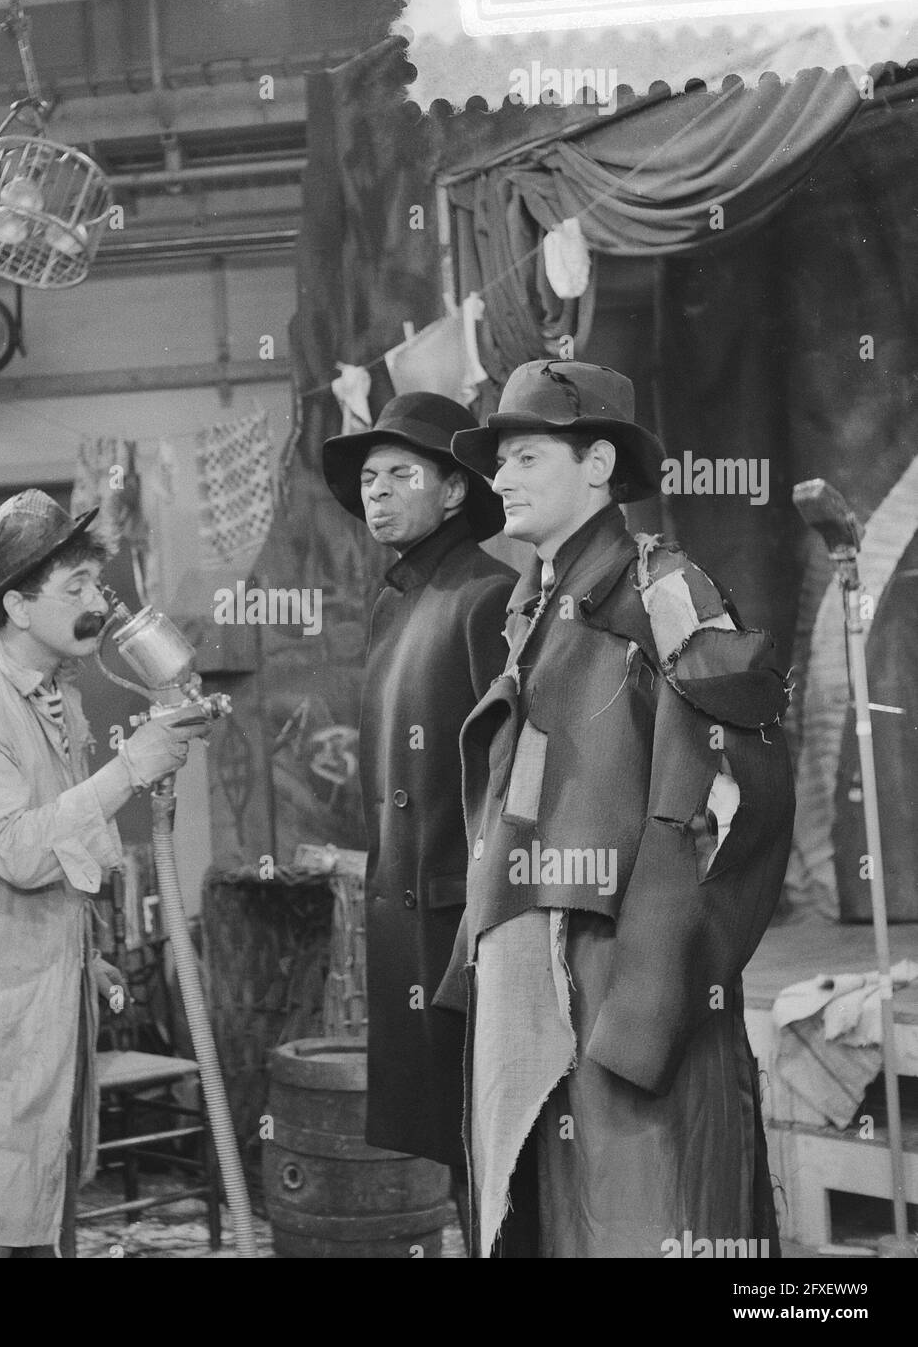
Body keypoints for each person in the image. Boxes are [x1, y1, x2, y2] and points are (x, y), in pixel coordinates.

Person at [436, 360, 793, 1257]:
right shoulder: (533, 608)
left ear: (598, 463)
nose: (501, 480)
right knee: (551, 1222)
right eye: (498, 463)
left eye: (524, 457)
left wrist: (648, 998)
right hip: (534, 982)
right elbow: (513, 800)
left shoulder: (667, 590)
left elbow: (724, 807)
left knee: (645, 1218)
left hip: (627, 989)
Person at [0, 489, 209, 1257]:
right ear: (19, 608)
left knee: (36, 1213)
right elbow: (22, 848)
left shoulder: (57, 693)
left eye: (97, 585)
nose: (99, 602)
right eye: (77, 590)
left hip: (31, 992)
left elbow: (67, 839)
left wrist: (79, 951)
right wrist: (133, 766)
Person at [322, 392, 513, 1216]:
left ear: (455, 490)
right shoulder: (395, 600)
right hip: (408, 921)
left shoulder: (488, 595)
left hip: (463, 928)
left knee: (493, 1140)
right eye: (370, 477)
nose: (379, 490)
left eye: (403, 472)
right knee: (452, 1149)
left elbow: (505, 780)